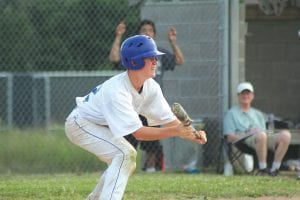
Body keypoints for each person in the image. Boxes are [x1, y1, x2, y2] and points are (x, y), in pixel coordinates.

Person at [65, 35, 207, 200]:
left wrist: (193, 134)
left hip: (98, 125)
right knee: (125, 155)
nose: (155, 61)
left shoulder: (151, 87)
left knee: (123, 158)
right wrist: (175, 131)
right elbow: (138, 133)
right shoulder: (117, 91)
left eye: (155, 57)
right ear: (134, 62)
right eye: (149, 57)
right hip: (80, 124)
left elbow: (168, 119)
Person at [109, 19, 184, 172]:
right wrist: (118, 36)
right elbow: (114, 58)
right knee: (129, 138)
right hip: (133, 102)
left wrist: (173, 42)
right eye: (144, 30)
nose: (147, 33)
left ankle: (150, 170)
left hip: (151, 103)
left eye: (150, 30)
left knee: (152, 143)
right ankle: (124, 168)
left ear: (154, 34)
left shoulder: (159, 55)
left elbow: (179, 60)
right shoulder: (134, 55)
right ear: (138, 34)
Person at [223, 82, 291, 176]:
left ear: (252, 96)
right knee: (261, 135)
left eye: (248, 93)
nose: (245, 96)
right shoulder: (231, 114)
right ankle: (262, 169)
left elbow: (264, 131)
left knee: (285, 135)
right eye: (243, 93)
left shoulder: (258, 114)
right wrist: (247, 134)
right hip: (244, 141)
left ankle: (274, 169)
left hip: (262, 138)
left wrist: (271, 132)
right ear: (238, 96)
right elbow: (229, 137)